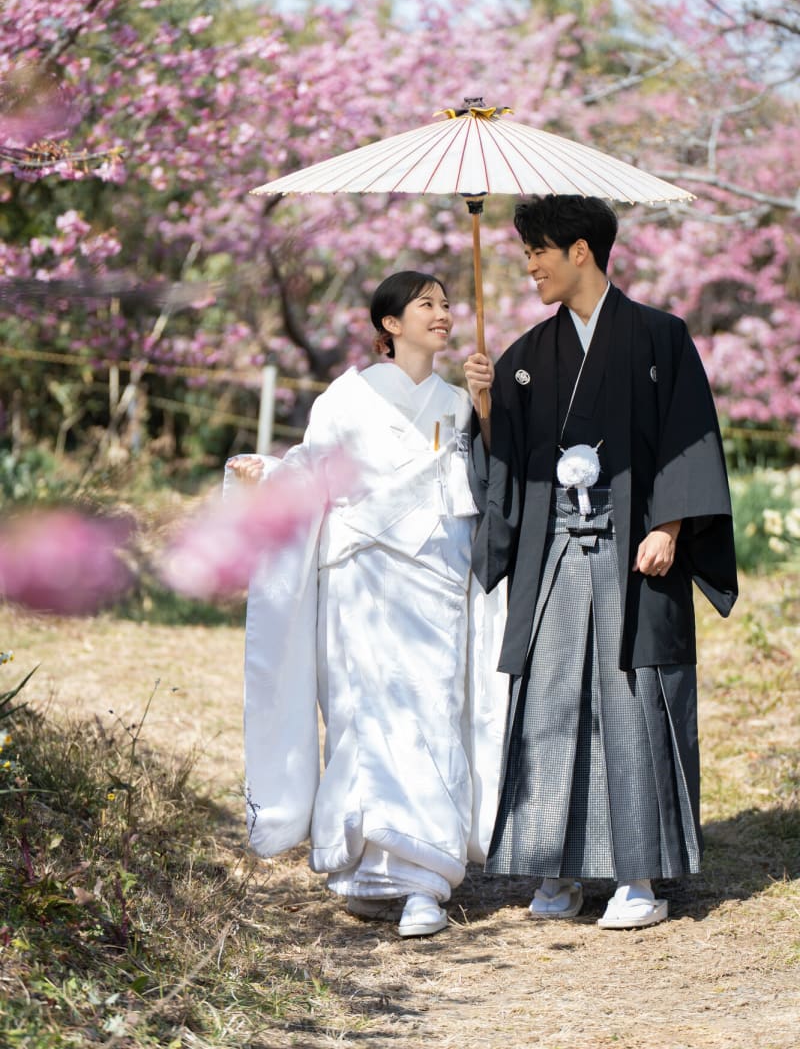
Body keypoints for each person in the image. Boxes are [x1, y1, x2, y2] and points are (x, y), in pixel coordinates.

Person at [464, 194, 737, 930]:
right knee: (552, 702)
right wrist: (485, 408)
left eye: (538, 253)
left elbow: (688, 436)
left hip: (634, 547)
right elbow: (505, 463)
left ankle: (637, 876)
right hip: (553, 549)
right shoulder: (524, 357)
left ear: (579, 251)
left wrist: (670, 527)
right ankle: (555, 869)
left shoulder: (659, 336)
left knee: (633, 700)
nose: (529, 268)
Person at [227, 271, 506, 938]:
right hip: (362, 572)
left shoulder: (458, 400)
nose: (443, 313)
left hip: (436, 573)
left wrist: (489, 409)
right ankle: (370, 871)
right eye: (426, 304)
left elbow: (490, 477)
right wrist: (268, 478)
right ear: (390, 324)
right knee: (362, 712)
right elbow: (310, 471)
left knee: (432, 710)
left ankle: (424, 881)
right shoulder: (345, 398)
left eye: (446, 304)